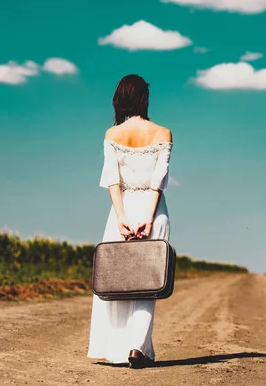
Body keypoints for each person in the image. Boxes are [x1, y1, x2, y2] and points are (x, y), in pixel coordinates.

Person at [87, 74, 173, 369]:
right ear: (144, 99)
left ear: (120, 99)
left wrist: (123, 219)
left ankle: (119, 347)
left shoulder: (112, 135)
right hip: (153, 210)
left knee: (119, 280)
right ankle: (137, 347)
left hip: (121, 210)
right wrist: (148, 219)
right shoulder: (163, 133)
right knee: (149, 281)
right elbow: (158, 181)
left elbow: (112, 179)